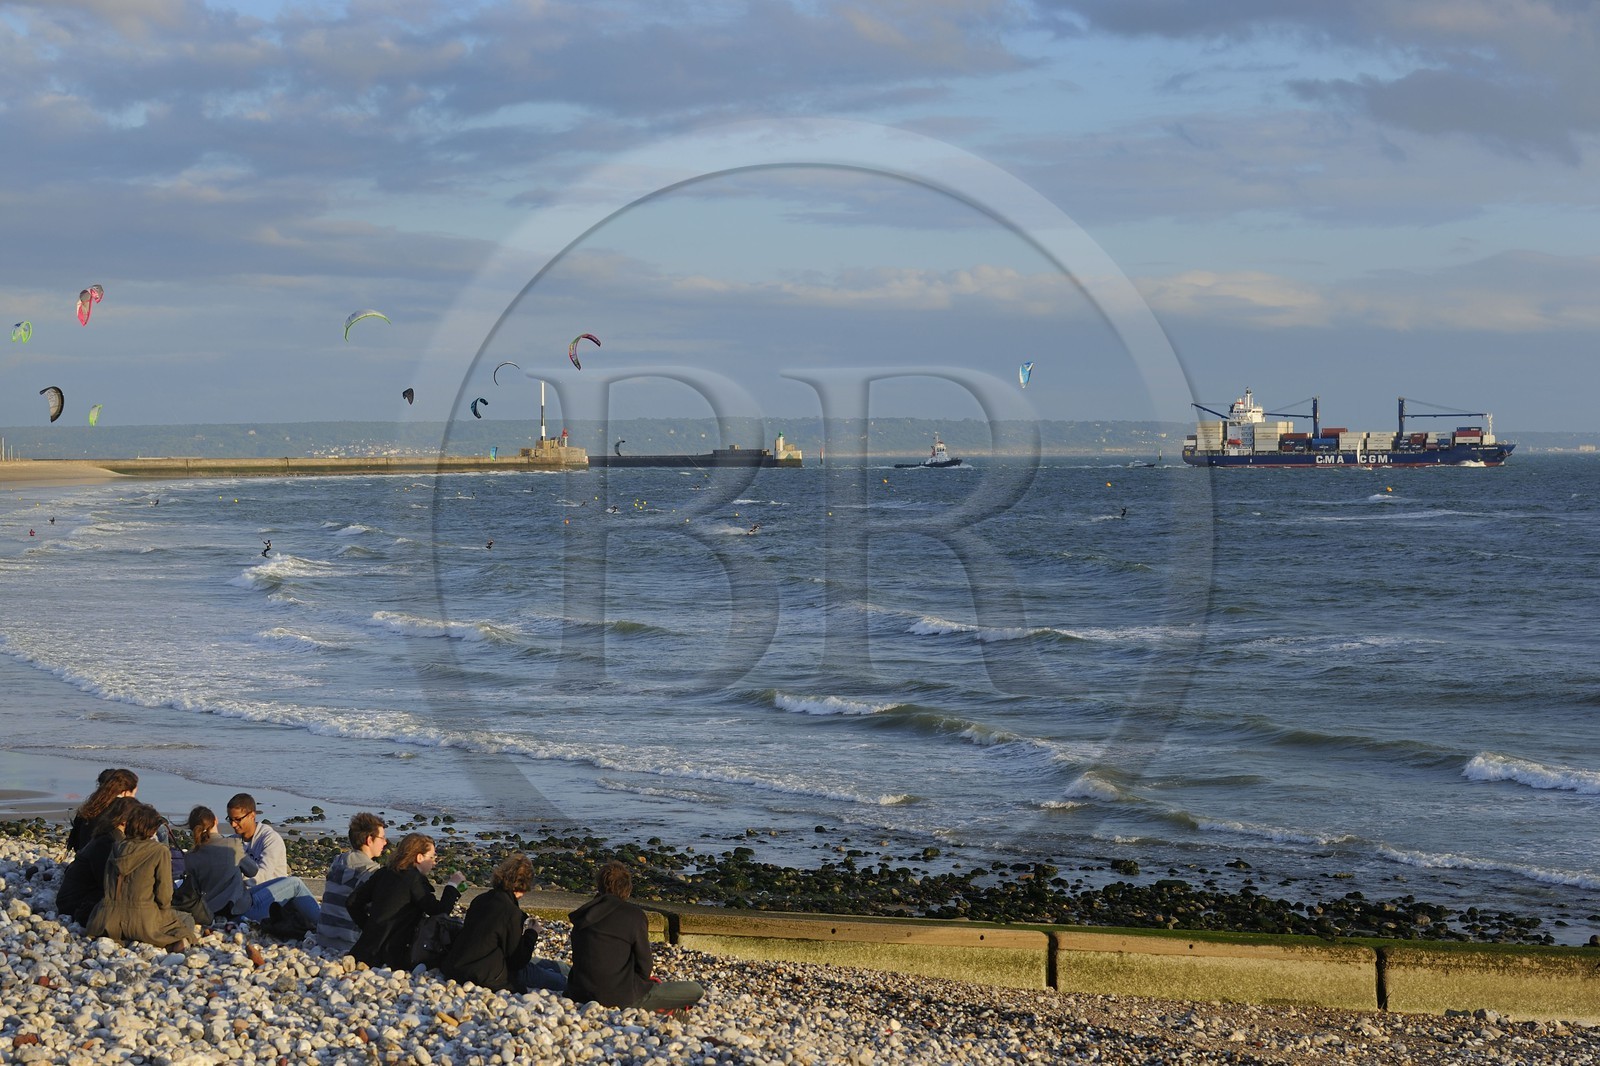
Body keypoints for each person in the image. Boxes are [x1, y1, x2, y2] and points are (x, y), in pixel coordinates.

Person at [567, 860, 702, 1011]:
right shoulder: (634, 916)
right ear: (628, 889)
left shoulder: (583, 914)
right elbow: (645, 967)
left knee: (562, 969)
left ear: (599, 887)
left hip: (579, 993)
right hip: (622, 997)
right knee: (696, 989)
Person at [441, 854, 567, 993]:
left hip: (457, 965)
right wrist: (532, 933)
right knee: (560, 981)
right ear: (524, 885)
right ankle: (564, 975)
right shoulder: (511, 912)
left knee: (549, 967)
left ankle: (560, 969)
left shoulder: (480, 899)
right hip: (486, 974)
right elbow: (517, 961)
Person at [85, 802, 198, 950]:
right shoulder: (159, 851)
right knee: (186, 919)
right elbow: (164, 894)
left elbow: (107, 883)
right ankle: (171, 944)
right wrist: (164, 910)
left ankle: (123, 939)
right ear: (152, 828)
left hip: (106, 918)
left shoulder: (116, 847)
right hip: (143, 918)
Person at [347, 832, 463, 970]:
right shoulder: (414, 879)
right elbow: (439, 911)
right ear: (419, 857)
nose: (434, 862)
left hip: (365, 950)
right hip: (395, 954)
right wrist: (452, 885)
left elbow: (352, 902)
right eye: (431, 857)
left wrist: (369, 928)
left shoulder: (384, 873)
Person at [225, 793, 321, 928]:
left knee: (294, 883)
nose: (233, 824)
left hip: (270, 898)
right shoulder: (232, 841)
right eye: (230, 819)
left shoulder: (270, 839)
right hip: (246, 902)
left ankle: (321, 921)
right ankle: (324, 923)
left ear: (252, 815)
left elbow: (262, 876)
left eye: (237, 819)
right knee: (296, 883)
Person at [54, 795, 139, 926]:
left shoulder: (108, 835)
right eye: (136, 820)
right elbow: (106, 881)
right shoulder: (107, 842)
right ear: (124, 821)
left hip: (76, 897)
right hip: (74, 904)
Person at [318, 812, 387, 955]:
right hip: (350, 941)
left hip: (323, 935)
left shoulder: (337, 862)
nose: (385, 843)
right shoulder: (371, 871)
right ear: (369, 840)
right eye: (382, 838)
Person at [181, 806, 249, 924]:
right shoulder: (232, 844)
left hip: (208, 909)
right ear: (215, 820)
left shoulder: (190, 856)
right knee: (286, 883)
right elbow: (252, 871)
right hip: (237, 909)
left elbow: (194, 887)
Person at [66, 768, 139, 852]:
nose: (134, 798)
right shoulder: (125, 809)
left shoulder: (91, 805)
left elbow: (75, 841)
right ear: (125, 793)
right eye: (133, 794)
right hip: (109, 856)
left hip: (84, 853)